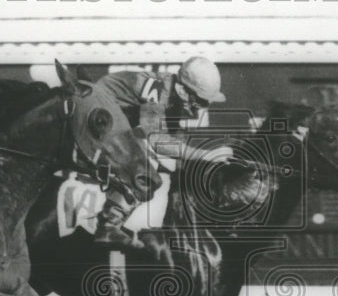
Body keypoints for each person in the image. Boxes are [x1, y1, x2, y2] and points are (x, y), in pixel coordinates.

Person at [92, 56, 233, 248]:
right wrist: (205, 155)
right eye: (200, 101)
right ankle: (108, 225)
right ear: (182, 90)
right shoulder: (156, 87)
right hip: (94, 116)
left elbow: (175, 149)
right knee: (146, 159)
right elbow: (158, 142)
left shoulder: (174, 96)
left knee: (166, 162)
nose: (201, 109)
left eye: (206, 103)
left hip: (113, 118)